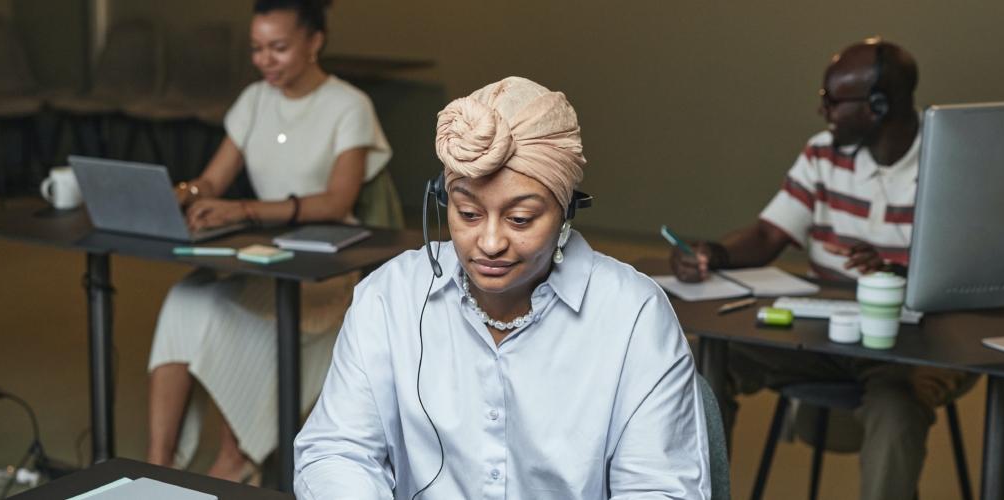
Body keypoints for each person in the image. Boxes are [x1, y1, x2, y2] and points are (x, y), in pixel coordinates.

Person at [293, 77, 709, 499]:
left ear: (567, 213)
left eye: (521, 219)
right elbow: (336, 451)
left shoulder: (632, 316)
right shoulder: (390, 297)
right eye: (468, 213)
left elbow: (660, 488)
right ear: (443, 200)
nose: (490, 244)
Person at [670, 39, 974, 500]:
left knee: (896, 409)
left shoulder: (950, 162)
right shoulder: (822, 153)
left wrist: (894, 270)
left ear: (876, 106)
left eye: (832, 100)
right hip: (825, 335)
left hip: (917, 346)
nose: (822, 111)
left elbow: (970, 273)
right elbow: (770, 235)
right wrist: (712, 253)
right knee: (701, 362)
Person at [145, 0, 395, 483]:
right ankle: (155, 467)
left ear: (314, 43)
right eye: (258, 49)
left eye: (278, 48)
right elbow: (213, 180)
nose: (266, 60)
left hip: (324, 269)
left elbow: (336, 198)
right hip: (266, 260)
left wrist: (246, 210)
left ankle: (238, 461)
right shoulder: (255, 100)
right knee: (183, 299)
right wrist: (181, 194)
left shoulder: (349, 105)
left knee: (228, 314)